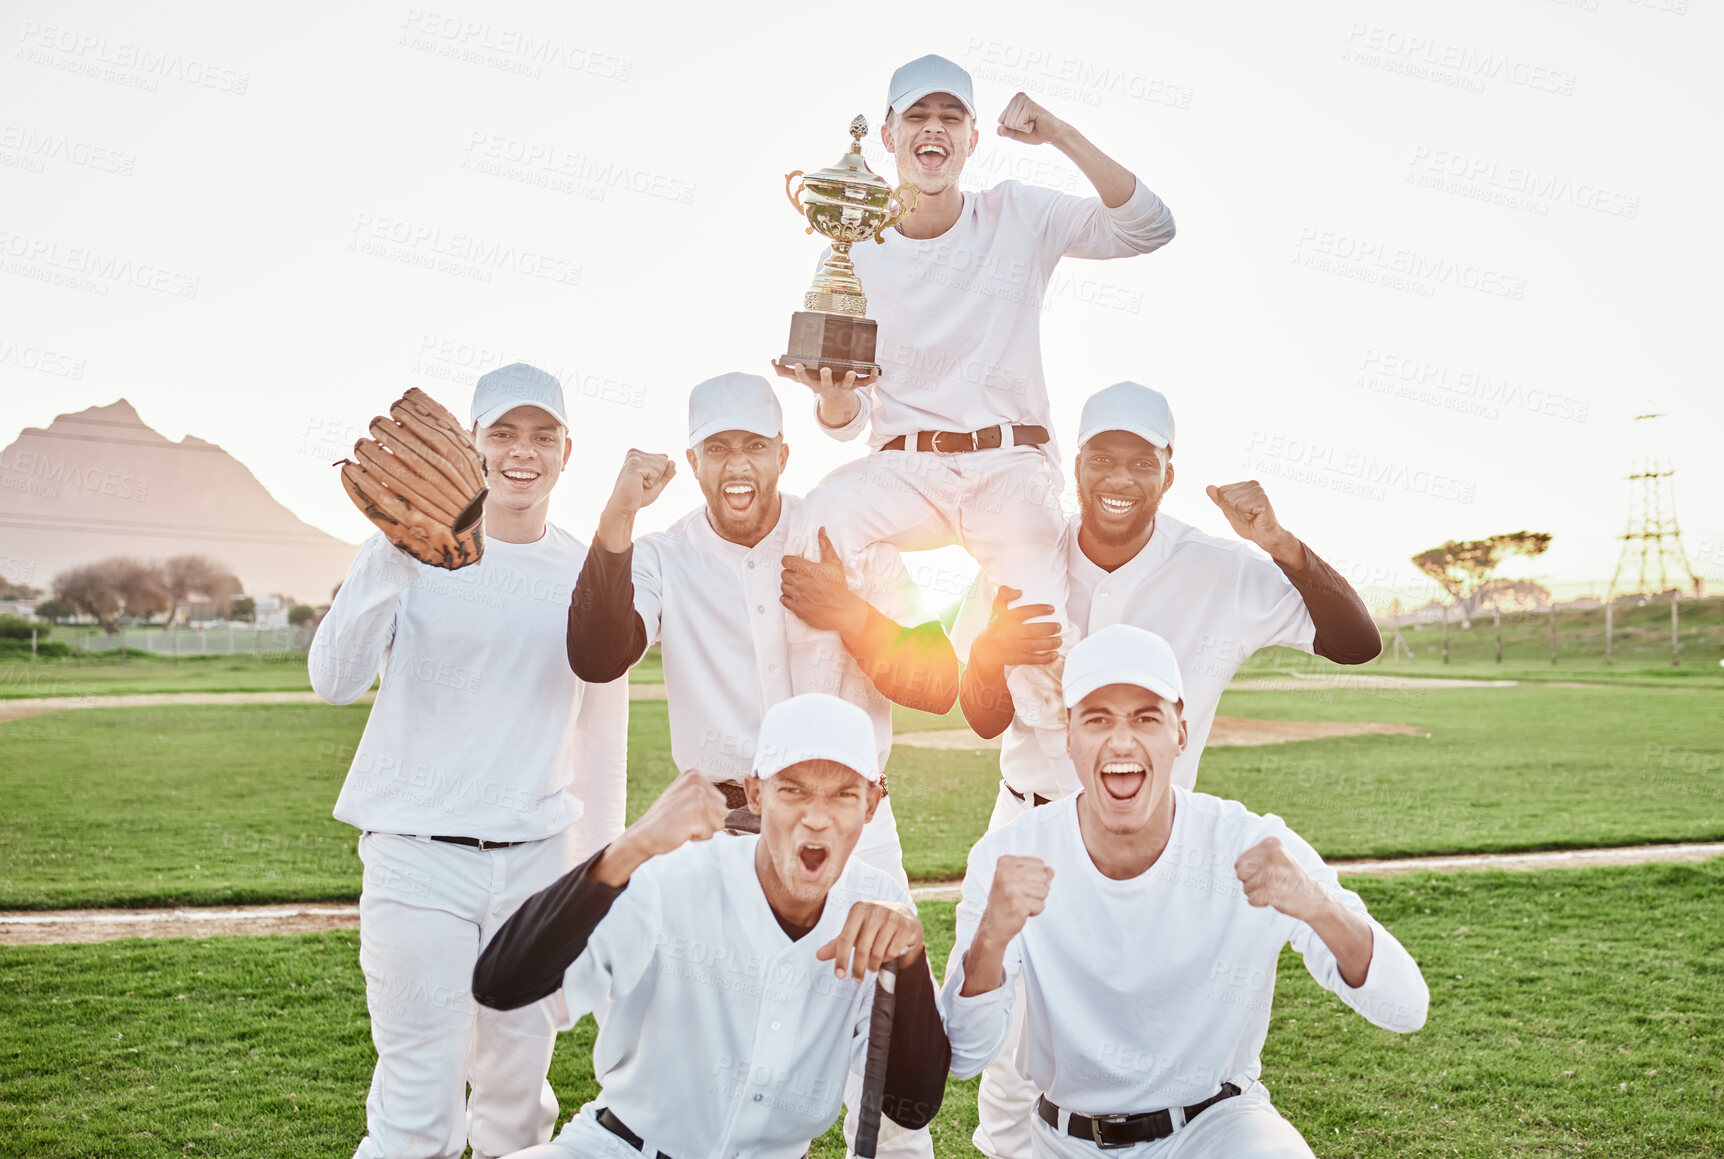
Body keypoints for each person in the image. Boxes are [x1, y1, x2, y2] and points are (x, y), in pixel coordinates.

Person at [952, 380, 1383, 1158]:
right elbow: (982, 713)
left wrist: (1278, 540)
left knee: (1142, 1027)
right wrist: (990, 653)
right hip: (1030, 814)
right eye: (1101, 459)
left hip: (1153, 835)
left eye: (1138, 462)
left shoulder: (1217, 566)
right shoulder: (1022, 556)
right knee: (1014, 1052)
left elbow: (1356, 642)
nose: (1118, 478)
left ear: (1168, 473)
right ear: (1075, 467)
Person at [565, 370, 958, 1158]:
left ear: (783, 453)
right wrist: (617, 516)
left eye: (753, 446)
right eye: (717, 448)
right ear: (693, 458)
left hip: (852, 831)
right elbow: (599, 652)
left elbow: (939, 679)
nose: (736, 464)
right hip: (720, 834)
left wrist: (847, 612)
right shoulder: (666, 551)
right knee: (713, 1058)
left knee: (885, 1085)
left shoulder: (846, 533)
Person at [774, 53, 1177, 758]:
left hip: (1010, 470)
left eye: (951, 117)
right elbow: (849, 417)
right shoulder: (853, 244)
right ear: (889, 136)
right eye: (918, 116)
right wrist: (836, 402)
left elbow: (1149, 227)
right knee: (817, 531)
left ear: (971, 140)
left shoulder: (1016, 214)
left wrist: (1058, 132)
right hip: (904, 471)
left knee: (1039, 644)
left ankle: (1065, 801)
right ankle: (843, 743)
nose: (934, 130)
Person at [941, 625, 1428, 1158]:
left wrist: (1316, 904)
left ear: (1181, 733)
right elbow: (965, 1055)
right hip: (1066, 1140)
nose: (1121, 740)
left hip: (1218, 1128)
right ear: (1068, 735)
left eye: (1146, 718)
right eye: (1098, 718)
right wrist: (991, 936)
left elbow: (1406, 1008)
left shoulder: (1248, 843)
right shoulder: (1010, 856)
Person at [309, 363, 628, 1159]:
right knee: (417, 1113)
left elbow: (599, 742)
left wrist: (594, 886)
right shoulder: (402, 552)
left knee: (518, 1115)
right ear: (472, 445)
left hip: (535, 868)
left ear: (565, 452)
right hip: (418, 861)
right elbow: (333, 681)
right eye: (503, 433)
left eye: (542, 435)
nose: (523, 452)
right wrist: (393, 550)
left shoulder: (586, 570)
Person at [472, 693, 951, 1159]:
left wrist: (908, 965)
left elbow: (910, 1106)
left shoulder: (878, 905)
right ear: (756, 794)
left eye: (844, 795)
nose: (817, 818)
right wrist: (629, 848)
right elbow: (500, 984)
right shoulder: (672, 874)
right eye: (793, 789)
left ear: (871, 805)